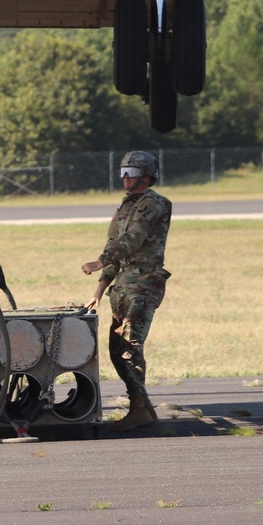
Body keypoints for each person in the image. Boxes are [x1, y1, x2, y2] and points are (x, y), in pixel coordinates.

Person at [82, 150, 172, 430]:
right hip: (123, 285)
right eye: (122, 172)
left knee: (129, 349)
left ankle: (139, 409)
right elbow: (116, 249)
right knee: (116, 349)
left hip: (142, 285)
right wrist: (99, 289)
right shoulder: (127, 206)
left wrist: (100, 262)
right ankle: (142, 409)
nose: (124, 178)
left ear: (146, 177)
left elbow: (132, 240)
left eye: (130, 173)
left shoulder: (153, 203)